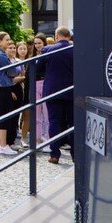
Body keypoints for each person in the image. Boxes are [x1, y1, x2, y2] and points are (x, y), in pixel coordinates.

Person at [34, 26, 74, 164]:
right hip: (71, 90)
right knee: (72, 123)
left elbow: (37, 69)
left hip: (53, 91)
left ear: (56, 37)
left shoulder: (48, 50)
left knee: (54, 121)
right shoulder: (75, 49)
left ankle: (54, 154)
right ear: (69, 37)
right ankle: (75, 155)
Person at [0, 32, 24, 155]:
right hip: (3, 86)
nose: (9, 42)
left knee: (0, 115)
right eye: (6, 40)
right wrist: (14, 70)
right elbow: (12, 71)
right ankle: (3, 146)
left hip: (0, 86)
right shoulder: (1, 55)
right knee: (4, 116)